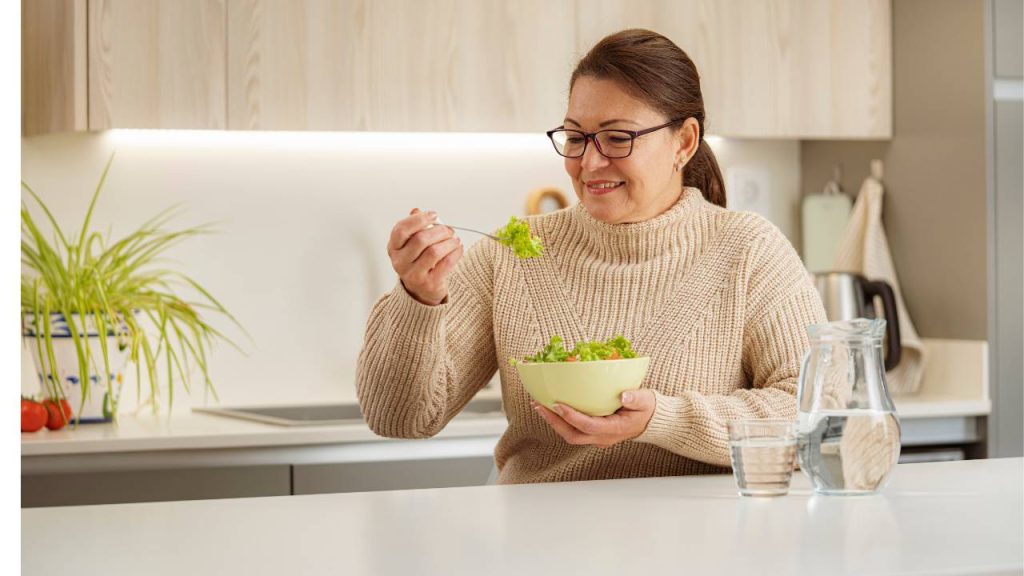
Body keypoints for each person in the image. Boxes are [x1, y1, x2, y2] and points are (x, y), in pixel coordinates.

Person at [356, 29, 827, 484]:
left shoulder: (748, 250)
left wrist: (661, 419)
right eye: (577, 137)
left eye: (618, 138)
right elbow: (399, 418)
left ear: (683, 141)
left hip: (701, 543)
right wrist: (417, 298)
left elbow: (814, 411)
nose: (590, 162)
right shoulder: (510, 257)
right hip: (538, 545)